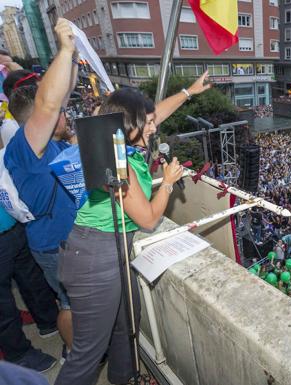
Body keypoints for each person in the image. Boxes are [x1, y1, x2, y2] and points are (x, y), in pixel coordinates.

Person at [55, 72, 212, 383]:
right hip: (95, 258)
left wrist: (188, 92)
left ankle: (123, 378)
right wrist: (167, 183)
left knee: (126, 324)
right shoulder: (117, 162)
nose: (155, 127)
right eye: (149, 122)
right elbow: (149, 218)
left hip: (107, 252)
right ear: (131, 126)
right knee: (87, 355)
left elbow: (154, 114)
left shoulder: (110, 139)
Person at [4, 19, 78, 356]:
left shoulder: (52, 143)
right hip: (54, 247)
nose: (65, 113)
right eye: (60, 111)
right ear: (38, 120)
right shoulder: (26, 147)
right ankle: (76, 354)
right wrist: (63, 48)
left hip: (66, 241)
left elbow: (56, 100)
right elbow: (50, 105)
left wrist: (74, 56)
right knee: (69, 303)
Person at [0, 201, 58, 372]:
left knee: (32, 279)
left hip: (13, 224)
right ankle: (18, 355)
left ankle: (48, 320)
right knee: (3, 305)